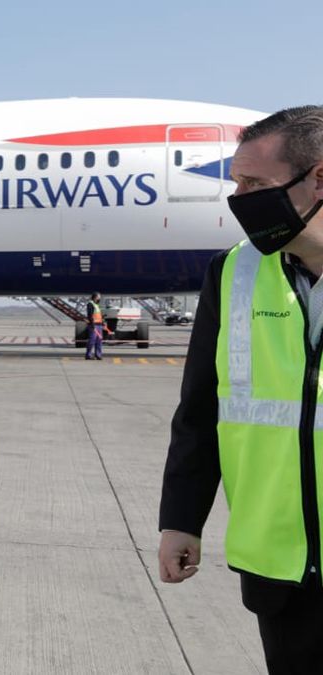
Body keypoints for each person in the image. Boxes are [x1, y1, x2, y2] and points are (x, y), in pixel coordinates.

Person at [158, 106, 323, 674]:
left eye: (255, 185)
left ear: (318, 178)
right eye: (236, 184)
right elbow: (201, 411)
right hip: (279, 574)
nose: (240, 199)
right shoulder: (233, 273)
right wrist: (182, 518)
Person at [85, 291, 104, 360]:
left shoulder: (97, 305)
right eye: (99, 297)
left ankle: (98, 355)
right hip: (94, 325)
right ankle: (88, 355)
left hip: (99, 325)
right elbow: (90, 315)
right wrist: (92, 323)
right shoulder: (90, 304)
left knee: (99, 340)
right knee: (92, 340)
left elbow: (98, 315)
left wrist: (102, 321)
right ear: (95, 297)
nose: (100, 298)